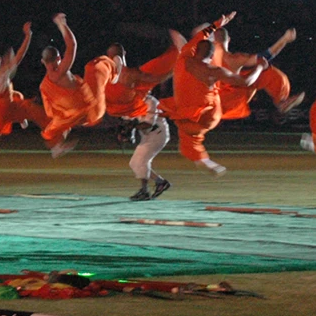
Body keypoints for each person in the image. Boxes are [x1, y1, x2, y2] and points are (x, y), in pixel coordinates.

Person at [159, 12, 267, 176]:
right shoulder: (214, 70)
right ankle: (204, 160)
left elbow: (192, 38)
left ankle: (201, 159)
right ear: (212, 56)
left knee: (186, 133)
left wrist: (217, 23)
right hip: (207, 117)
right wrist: (259, 67)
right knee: (220, 91)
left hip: (184, 116)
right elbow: (245, 82)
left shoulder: (184, 56)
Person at [104, 31, 184, 200]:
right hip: (149, 134)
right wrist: (125, 130)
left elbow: (147, 125)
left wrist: (131, 127)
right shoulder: (131, 97)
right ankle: (160, 182)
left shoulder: (149, 101)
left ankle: (144, 190)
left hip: (158, 134)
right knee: (137, 162)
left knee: (138, 161)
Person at [39, 13, 118, 157]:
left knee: (61, 122)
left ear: (43, 62)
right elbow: (72, 45)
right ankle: (115, 70)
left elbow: (49, 109)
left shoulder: (44, 84)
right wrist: (62, 24)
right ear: (58, 58)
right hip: (88, 108)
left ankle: (57, 146)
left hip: (71, 114)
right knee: (96, 66)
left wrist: (59, 114)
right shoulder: (61, 71)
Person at [214, 27, 305, 120]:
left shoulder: (204, 58)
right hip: (233, 100)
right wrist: (284, 39)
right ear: (228, 39)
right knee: (266, 71)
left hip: (212, 102)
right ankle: (281, 101)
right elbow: (265, 57)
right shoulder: (235, 59)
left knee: (257, 73)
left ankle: (282, 102)